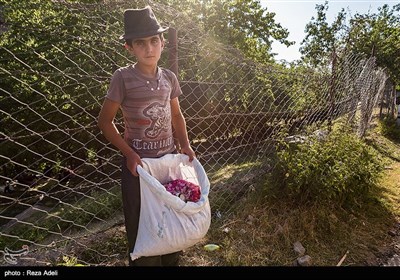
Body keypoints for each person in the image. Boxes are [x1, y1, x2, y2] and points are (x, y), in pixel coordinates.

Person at [97, 6, 196, 266]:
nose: (149, 48)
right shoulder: (123, 78)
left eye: (154, 41)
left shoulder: (170, 79)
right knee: (143, 229)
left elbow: (176, 116)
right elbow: (105, 121)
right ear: (128, 48)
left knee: (172, 223)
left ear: (163, 43)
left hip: (167, 166)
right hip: (138, 170)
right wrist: (129, 153)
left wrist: (184, 145)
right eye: (140, 43)